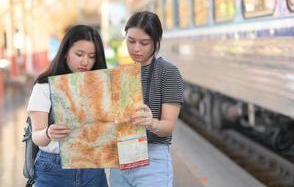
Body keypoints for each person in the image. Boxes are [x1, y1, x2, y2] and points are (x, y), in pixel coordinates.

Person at [27, 25, 108, 187]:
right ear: (65, 53)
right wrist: (49, 133)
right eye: (79, 54)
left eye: (92, 56)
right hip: (54, 170)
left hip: (93, 168)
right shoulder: (44, 87)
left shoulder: (102, 86)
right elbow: (37, 137)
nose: (85, 61)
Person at [110, 11, 184, 186]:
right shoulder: (119, 73)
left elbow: (168, 126)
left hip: (153, 159)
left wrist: (151, 123)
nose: (136, 48)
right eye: (131, 41)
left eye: (144, 43)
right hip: (120, 158)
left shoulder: (168, 72)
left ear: (156, 42)